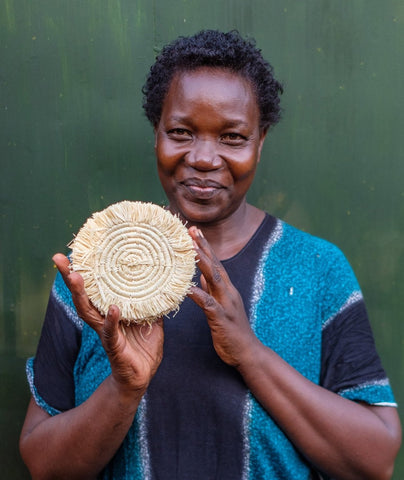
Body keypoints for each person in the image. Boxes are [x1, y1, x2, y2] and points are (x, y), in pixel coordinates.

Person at [20, 30, 401, 480]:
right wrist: (125, 388)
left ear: (261, 141)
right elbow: (44, 465)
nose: (202, 157)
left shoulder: (318, 269)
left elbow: (375, 461)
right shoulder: (93, 274)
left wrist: (249, 353)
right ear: (156, 135)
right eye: (180, 132)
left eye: (233, 137)